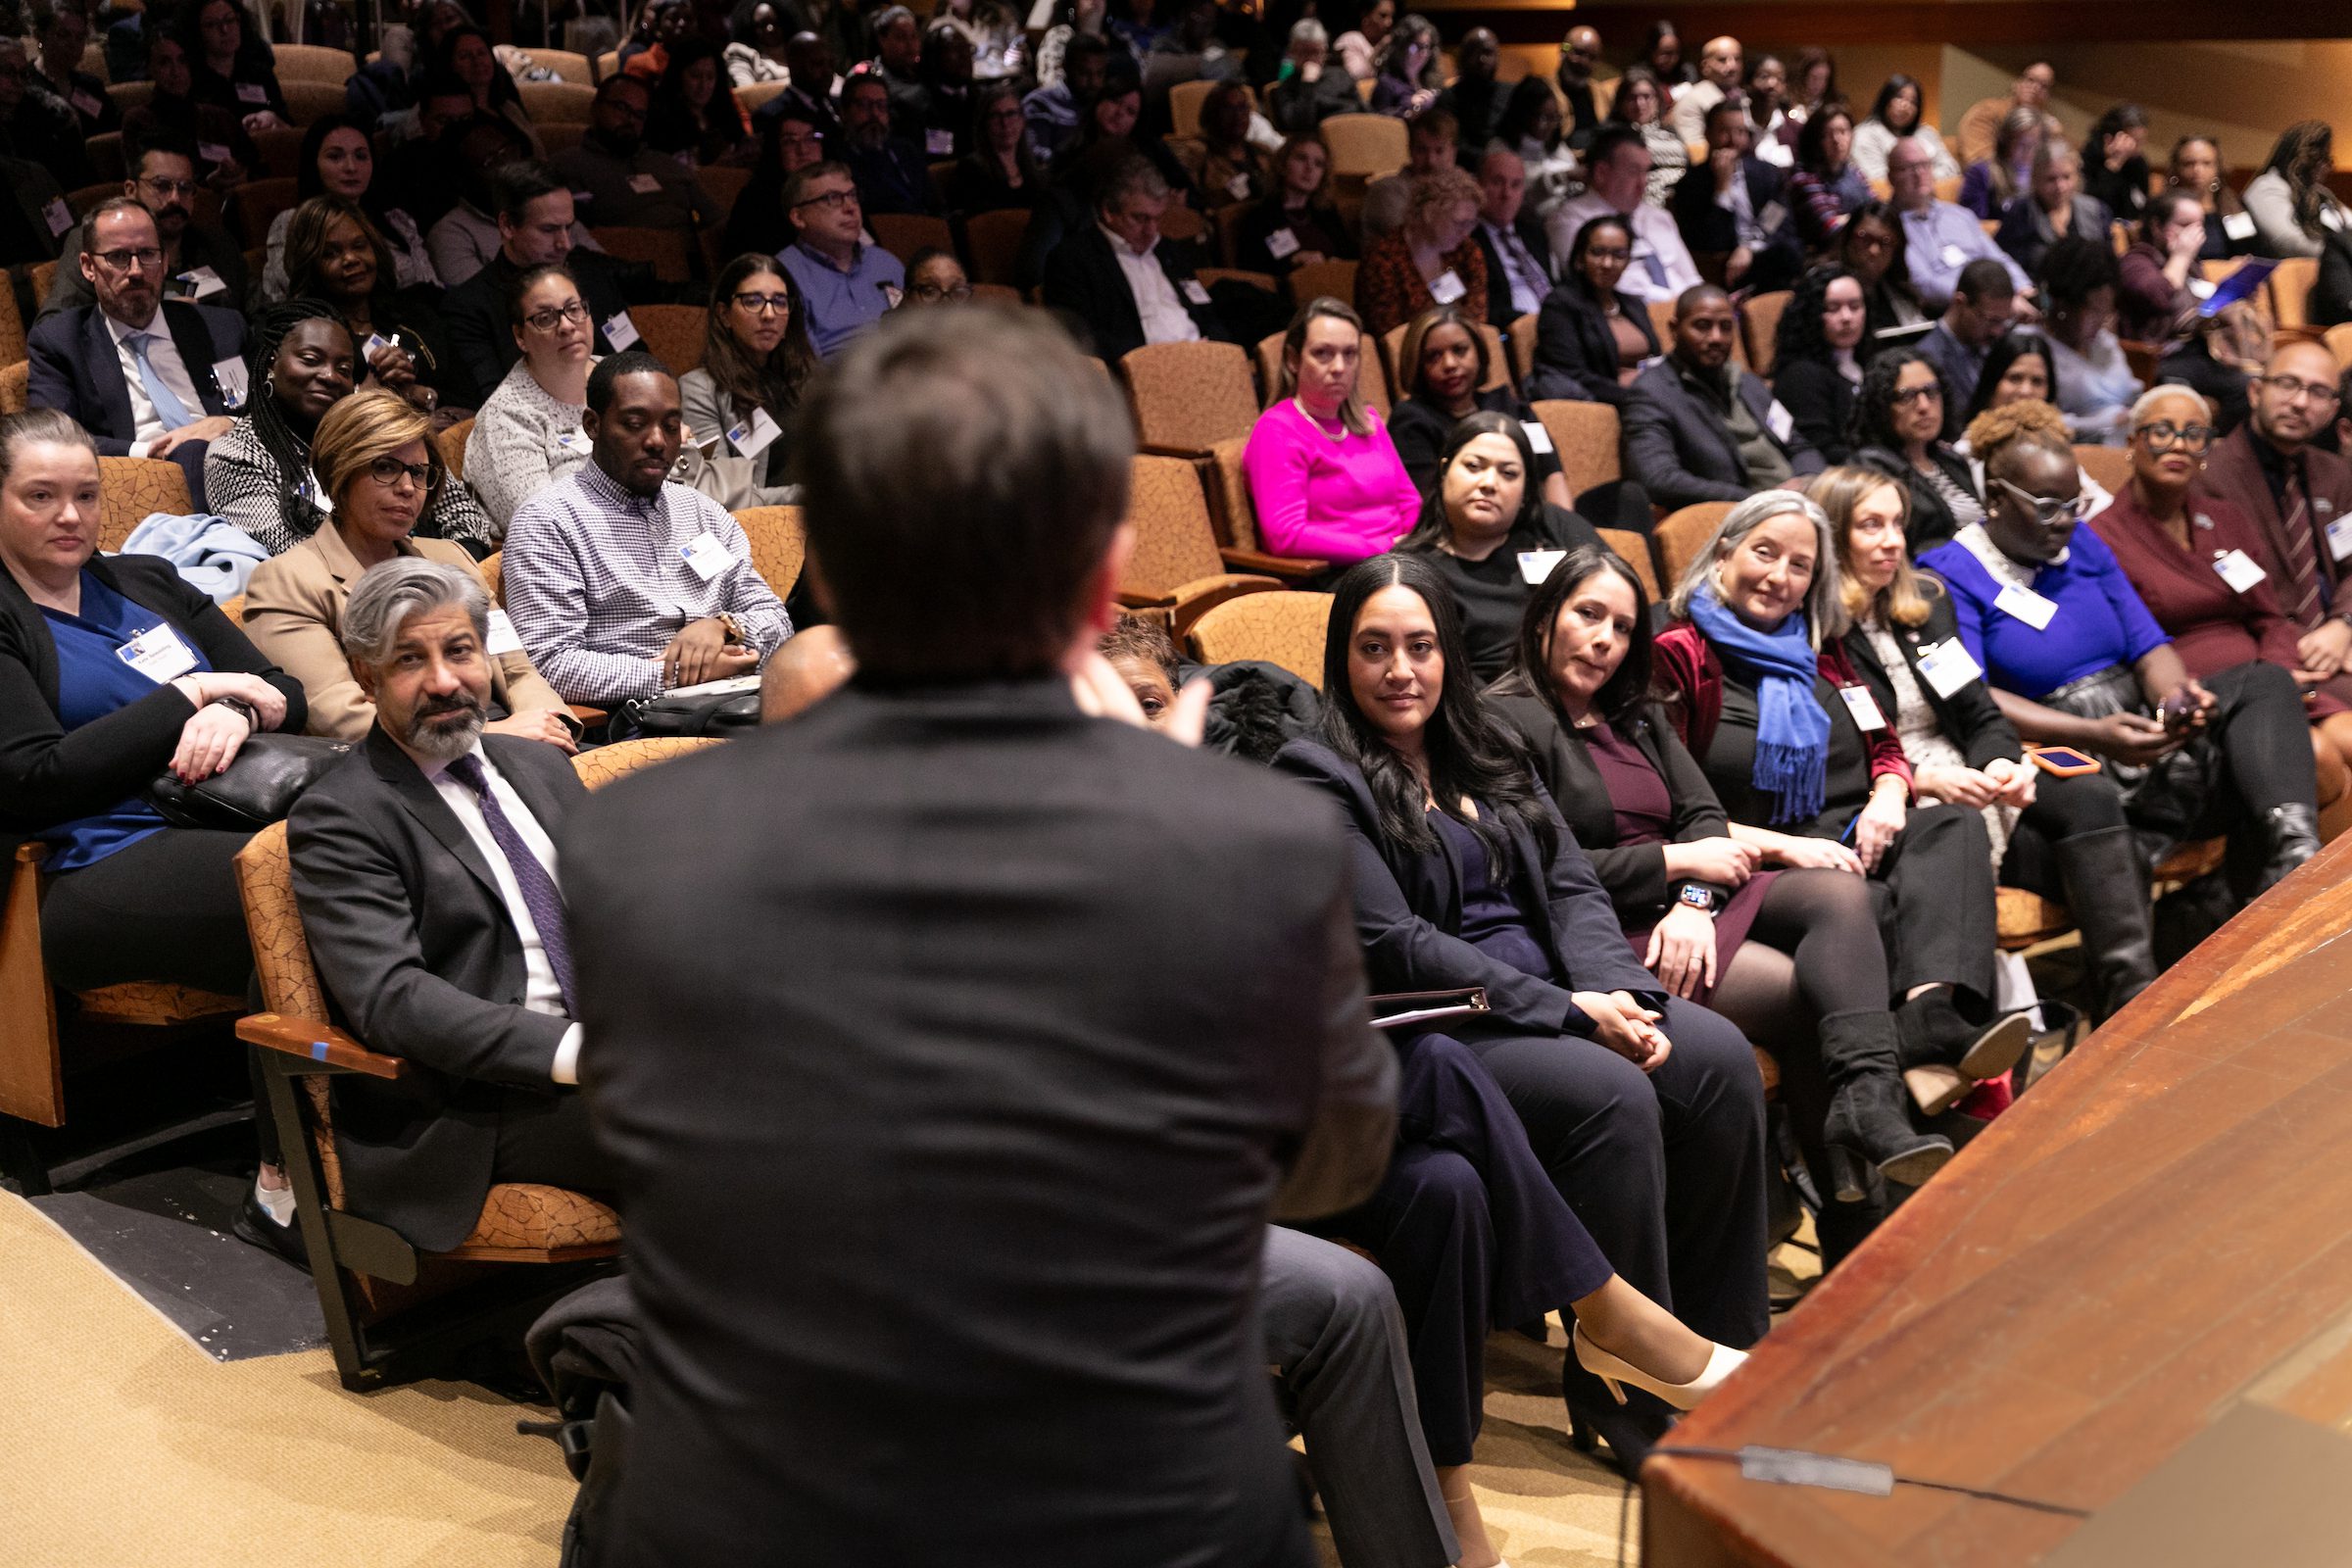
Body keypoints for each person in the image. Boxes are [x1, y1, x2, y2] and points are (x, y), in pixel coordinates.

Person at [564, 304, 1396, 1565]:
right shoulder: (1245, 841)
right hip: (1144, 1513)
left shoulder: (633, 842)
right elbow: (1332, 1164)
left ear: (826, 570)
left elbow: (668, 1164)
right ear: (1108, 571)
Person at [1272, 552, 1769, 1471]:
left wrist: (1622, 992)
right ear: (1343, 658)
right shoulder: (1318, 774)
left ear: (1449, 652)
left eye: (1420, 645)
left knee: (1719, 1061)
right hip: (1450, 1022)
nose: (1400, 670)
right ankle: (1620, 1389)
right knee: (1607, 1095)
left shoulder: (1487, 743)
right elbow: (1398, 945)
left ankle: (1721, 1343)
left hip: (1565, 986)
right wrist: (1576, 1014)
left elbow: (1575, 883)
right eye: (1374, 648)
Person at [1484, 544, 1956, 1257]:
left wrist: (1696, 899)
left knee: (1841, 895)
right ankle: (1850, 1210)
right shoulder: (1503, 720)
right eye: (1587, 616)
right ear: (1546, 616)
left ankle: (1867, 1100)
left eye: (1620, 627)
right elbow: (1540, 865)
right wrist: (1677, 866)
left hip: (1687, 908)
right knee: (1808, 994)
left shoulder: (1633, 715)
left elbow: (1704, 816)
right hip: (1603, 926)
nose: (1605, 641)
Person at [0, 406, 306, 1251]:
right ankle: (286, 1190)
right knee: (300, 888)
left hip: (223, 818)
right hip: (88, 862)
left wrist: (237, 711)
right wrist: (188, 699)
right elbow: (34, 779)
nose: (70, 516)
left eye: (86, 495)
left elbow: (286, 688)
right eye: (40, 496)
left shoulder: (146, 582)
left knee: (386, 858)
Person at [1652, 490, 2025, 1115]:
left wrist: (1889, 791)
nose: (1780, 576)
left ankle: (1929, 1014)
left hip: (1853, 832)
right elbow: (1675, 805)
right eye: (1764, 553)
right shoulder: (1680, 656)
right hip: (1759, 857)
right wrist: (1791, 848)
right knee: (1874, 904)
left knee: (1956, 826)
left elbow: (1884, 744)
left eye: (1800, 566)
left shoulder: (1823, 648)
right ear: (1723, 554)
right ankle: (1891, 1100)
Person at [286, 556, 609, 1255]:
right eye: (410, 660)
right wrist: (574, 1051)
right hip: (482, 1099)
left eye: (459, 651)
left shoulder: (541, 766)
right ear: (367, 679)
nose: (443, 681)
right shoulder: (342, 815)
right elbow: (391, 998)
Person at [1918, 402, 2322, 905]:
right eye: (2047, 507)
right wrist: (2094, 734)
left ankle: (2298, 861)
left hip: (2135, 723)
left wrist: (2176, 700)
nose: (2064, 522)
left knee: (2264, 682)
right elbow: (1976, 699)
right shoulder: (1951, 572)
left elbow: (2147, 643)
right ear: (1997, 498)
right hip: (2063, 743)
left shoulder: (2083, 544)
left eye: (2074, 504)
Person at [1823, 464, 2158, 1023]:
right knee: (2117, 865)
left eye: (1898, 524)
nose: (1891, 541)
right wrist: (1920, 779)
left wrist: (2005, 765)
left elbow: (1978, 711)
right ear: (1833, 536)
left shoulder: (1923, 603)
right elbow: (1834, 756)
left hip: (1966, 767)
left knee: (2088, 795)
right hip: (1893, 787)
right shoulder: (1817, 631)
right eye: (1870, 525)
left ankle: (2133, 1003)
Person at [241, 391, 567, 749]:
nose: (408, 488)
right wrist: (494, 739)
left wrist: (554, 730)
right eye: (385, 468)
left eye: (418, 472)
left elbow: (516, 670)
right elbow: (338, 717)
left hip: (518, 738)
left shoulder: (452, 558)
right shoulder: (287, 580)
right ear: (340, 472)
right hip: (406, 768)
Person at [2090, 384, 2352, 815]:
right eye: (2162, 431)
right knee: (2318, 756)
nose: (2178, 444)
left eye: (2193, 434)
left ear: (2205, 452)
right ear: (2133, 443)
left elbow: (2268, 615)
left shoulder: (2226, 519)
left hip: (2271, 674)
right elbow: (2130, 649)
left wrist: (2281, 671)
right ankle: (2287, 875)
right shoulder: (2102, 537)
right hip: (2199, 692)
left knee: (2346, 735)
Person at [504, 352, 792, 710]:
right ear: (593, 425)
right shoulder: (549, 521)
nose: (657, 441)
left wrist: (723, 626)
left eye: (671, 427)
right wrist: (680, 672)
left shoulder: (705, 513)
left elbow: (776, 620)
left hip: (743, 702)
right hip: (643, 719)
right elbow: (552, 663)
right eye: (635, 423)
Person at [207, 302, 490, 559]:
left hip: (437, 578)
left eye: (343, 368)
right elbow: (291, 552)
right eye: (310, 359)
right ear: (272, 362)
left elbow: (465, 515)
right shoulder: (235, 454)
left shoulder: (375, 428)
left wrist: (455, 568)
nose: (330, 376)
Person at [27, 199, 243, 507]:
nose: (136, 270)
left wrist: (230, 423)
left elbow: (257, 405)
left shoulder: (220, 328)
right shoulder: (60, 342)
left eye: (147, 255)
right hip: (135, 490)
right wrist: (146, 451)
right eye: (118, 257)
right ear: (89, 267)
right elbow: (51, 438)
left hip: (236, 467)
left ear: (165, 262)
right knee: (191, 451)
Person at [2196, 344, 2352, 735]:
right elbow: (2232, 590)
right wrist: (2318, 646)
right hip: (2275, 651)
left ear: (2333, 410)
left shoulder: (2336, 475)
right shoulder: (2210, 478)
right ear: (2255, 392)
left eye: (2318, 393)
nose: (2300, 402)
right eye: (2288, 384)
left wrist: (2344, 627)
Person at [1395, 411, 1597, 674]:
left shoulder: (1553, 525)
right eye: (1474, 467)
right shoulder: (1411, 569)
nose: (1489, 483)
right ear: (1444, 471)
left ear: (1526, 491)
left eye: (1509, 473)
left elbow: (1615, 595)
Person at [1242, 298, 1419, 570]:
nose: (1339, 367)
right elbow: (1286, 535)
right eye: (1323, 353)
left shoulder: (1368, 419)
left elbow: (1409, 501)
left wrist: (1417, 544)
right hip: (1337, 571)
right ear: (1292, 359)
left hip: (1400, 557)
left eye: (1349, 354)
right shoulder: (1277, 430)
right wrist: (1379, 547)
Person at [439, 162, 634, 404]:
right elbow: (495, 401)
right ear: (508, 225)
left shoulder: (591, 275)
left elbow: (633, 353)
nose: (565, 243)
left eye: (568, 228)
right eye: (549, 229)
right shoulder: (469, 307)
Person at [1625, 285, 1825, 510]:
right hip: (1740, 513)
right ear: (1674, 329)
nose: (1716, 338)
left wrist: (1808, 480)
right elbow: (1659, 479)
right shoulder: (1653, 392)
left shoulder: (1749, 383)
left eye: (1726, 327)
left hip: (1800, 502)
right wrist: (1758, 499)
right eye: (1702, 326)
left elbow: (1799, 445)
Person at [280, 198, 471, 414]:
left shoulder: (416, 314)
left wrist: (421, 395)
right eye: (331, 253)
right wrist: (367, 393)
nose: (351, 259)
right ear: (309, 265)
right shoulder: (298, 335)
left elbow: (471, 397)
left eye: (359, 246)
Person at [40, 133, 252, 323]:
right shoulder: (96, 243)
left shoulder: (218, 244)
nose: (175, 199)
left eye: (185, 188)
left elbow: (262, 311)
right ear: (131, 190)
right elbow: (53, 325)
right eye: (162, 186)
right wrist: (154, 319)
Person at [1042, 156, 1228, 363]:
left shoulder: (1168, 251)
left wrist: (1214, 347)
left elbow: (1206, 312)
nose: (1151, 231)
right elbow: (1078, 336)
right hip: (1138, 370)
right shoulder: (1073, 258)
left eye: (1157, 218)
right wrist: (1159, 357)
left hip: (1202, 360)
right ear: (1108, 211)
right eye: (1139, 218)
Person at [1387, 307, 1569, 504]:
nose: (1449, 364)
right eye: (1434, 356)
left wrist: (1563, 530)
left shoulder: (1509, 406)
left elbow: (1551, 474)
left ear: (1479, 353)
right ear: (1417, 365)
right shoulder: (1410, 421)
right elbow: (1431, 503)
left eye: (1459, 350)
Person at [468, 266, 601, 531]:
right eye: (545, 318)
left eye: (573, 309)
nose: (566, 325)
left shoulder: (619, 379)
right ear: (520, 337)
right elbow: (541, 523)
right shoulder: (506, 417)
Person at [262, 115, 441, 307]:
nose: (351, 167)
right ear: (314, 164)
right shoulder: (293, 222)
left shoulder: (397, 220)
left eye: (361, 156)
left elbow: (431, 286)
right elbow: (299, 297)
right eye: (335, 156)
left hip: (418, 325)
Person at [677, 254, 812, 506]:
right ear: (724, 314)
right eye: (753, 301)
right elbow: (718, 492)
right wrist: (806, 497)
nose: (769, 314)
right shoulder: (699, 389)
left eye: (780, 302)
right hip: (761, 527)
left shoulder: (809, 380)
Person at [1545, 125, 1700, 306]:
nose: (1643, 183)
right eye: (1634, 172)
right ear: (1602, 172)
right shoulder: (1569, 220)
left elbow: (1692, 279)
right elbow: (1604, 290)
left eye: (1646, 172)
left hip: (1688, 313)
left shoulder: (1658, 216)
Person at [1849, 349, 1983, 551]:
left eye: (1931, 392)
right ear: (1881, 405)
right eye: (1906, 396)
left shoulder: (1952, 461)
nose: (1923, 406)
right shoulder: (1871, 468)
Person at [555, 74, 722, 232]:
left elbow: (716, 219)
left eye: (639, 114)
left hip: (688, 255)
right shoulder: (568, 164)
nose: (631, 120)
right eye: (622, 108)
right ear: (596, 107)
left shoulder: (666, 163)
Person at [1668, 98, 1801, 294]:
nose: (1733, 140)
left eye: (1740, 132)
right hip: (1722, 263)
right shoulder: (1690, 184)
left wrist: (1749, 247)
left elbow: (1778, 216)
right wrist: (1723, 188)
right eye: (1724, 131)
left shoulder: (1766, 173)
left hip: (1761, 253)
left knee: (1790, 251)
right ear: (1707, 134)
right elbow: (1711, 241)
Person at [776, 161, 908, 358]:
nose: (850, 208)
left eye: (853, 196)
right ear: (798, 217)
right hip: (836, 384)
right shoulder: (782, 275)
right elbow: (803, 370)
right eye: (833, 198)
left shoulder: (887, 264)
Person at [1527, 214, 1659, 408]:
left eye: (1618, 255)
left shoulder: (1633, 304)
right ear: (1580, 256)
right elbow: (1573, 374)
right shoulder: (1561, 305)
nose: (1607, 263)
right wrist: (1636, 397)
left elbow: (1655, 359)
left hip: (1650, 399)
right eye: (1597, 252)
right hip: (1607, 405)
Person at [1888, 136, 2031, 313]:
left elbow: (1998, 259)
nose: (1919, 174)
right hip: (1952, 312)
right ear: (1891, 177)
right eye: (1908, 168)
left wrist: (2023, 288)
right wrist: (1991, 300)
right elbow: (1926, 285)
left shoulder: (1960, 215)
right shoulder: (1890, 226)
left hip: (1997, 304)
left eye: (1924, 165)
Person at [120, 26, 261, 193]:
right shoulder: (140, 120)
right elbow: (148, 186)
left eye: (182, 60)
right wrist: (206, 187)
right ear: (150, 69)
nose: (176, 71)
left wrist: (240, 174)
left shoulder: (218, 116)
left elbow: (257, 168)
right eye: (165, 62)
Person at [1355, 167, 1486, 337]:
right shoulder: (1383, 259)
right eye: (1459, 223)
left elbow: (1477, 321)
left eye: (1471, 223)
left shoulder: (1466, 252)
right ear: (1429, 213)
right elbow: (1390, 336)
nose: (1466, 232)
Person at [2039, 235, 2143, 445]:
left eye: (2107, 312)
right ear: (2063, 306)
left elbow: (2133, 392)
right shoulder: (2034, 349)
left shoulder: (2104, 342)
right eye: (2095, 312)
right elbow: (2038, 422)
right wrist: (2108, 421)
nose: (2102, 322)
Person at [1770, 267, 1869, 465]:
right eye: (1833, 308)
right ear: (1811, 313)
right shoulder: (1800, 376)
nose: (1847, 318)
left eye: (1855, 306)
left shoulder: (1871, 361)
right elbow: (1821, 450)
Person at [1233, 135, 1352, 280]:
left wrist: (1334, 262)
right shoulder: (1260, 217)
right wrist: (1292, 262)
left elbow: (1350, 256)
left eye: (1318, 164)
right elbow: (1253, 271)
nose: (1309, 168)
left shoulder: (1327, 213)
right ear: (1282, 165)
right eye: (1301, 158)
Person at [1916, 260, 2021, 425]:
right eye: (1991, 320)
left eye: (2004, 322)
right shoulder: (1928, 359)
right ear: (1960, 302)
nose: (1997, 331)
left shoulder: (1996, 347)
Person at [1997, 139, 2114, 282]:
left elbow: (2108, 264)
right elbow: (2005, 262)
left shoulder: (2097, 210)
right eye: (2051, 179)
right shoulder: (2021, 212)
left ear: (2077, 176)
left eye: (2067, 177)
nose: (2060, 187)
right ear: (2036, 179)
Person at [835, 71, 945, 217]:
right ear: (844, 112)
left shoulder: (905, 150)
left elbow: (934, 204)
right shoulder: (838, 162)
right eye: (865, 105)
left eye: (881, 105)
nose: (874, 114)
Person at [721, 107, 827, 257]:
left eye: (811, 138)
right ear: (776, 149)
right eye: (790, 142)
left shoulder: (841, 188)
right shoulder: (756, 200)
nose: (803, 150)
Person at [2243, 122, 2344, 264]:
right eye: (2323, 159)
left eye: (2329, 160)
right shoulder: (2266, 187)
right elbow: (2289, 242)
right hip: (2285, 277)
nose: (2328, 167)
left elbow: (2348, 222)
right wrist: (2343, 253)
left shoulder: (2320, 193)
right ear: (2301, 160)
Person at [177, 0, 286, 128]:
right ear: (197, 32)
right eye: (212, 24)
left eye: (229, 20)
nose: (225, 30)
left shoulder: (259, 73)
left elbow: (289, 127)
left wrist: (274, 118)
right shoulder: (189, 80)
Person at [648, 36, 757, 166]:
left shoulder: (724, 112)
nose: (703, 86)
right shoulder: (660, 119)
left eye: (710, 77)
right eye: (695, 76)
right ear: (678, 76)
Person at [435, 24, 541, 153]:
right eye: (465, 56)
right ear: (450, 65)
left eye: (481, 53)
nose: (477, 61)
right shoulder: (457, 116)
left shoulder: (507, 106)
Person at [1360, 107, 1456, 241]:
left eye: (1439, 151)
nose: (1431, 161)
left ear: (1453, 153)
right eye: (1422, 150)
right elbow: (1414, 240)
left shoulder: (1460, 191)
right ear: (1410, 150)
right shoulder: (1387, 191)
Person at [945, 81, 1040, 216]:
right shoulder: (971, 169)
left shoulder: (1033, 167)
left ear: (1022, 120)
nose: (1005, 123)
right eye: (995, 116)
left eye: (1011, 114)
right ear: (984, 123)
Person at [1598, 68, 1686, 212]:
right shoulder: (1612, 136)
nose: (1640, 104)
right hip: (1640, 204)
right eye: (1632, 98)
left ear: (1657, 100)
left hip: (1679, 200)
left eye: (1646, 97)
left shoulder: (1671, 132)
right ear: (1621, 103)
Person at [1175, 81, 1269, 212]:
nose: (1238, 116)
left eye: (1243, 107)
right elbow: (1186, 203)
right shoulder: (1196, 152)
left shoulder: (1262, 151)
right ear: (1212, 114)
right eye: (1228, 109)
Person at [1787, 104, 1869, 251]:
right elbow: (1830, 228)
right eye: (1827, 134)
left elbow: (1879, 213)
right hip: (1824, 257)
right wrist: (1863, 220)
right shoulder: (1804, 177)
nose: (1837, 140)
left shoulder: (1853, 171)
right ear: (1815, 139)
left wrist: (1846, 218)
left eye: (1843, 132)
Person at [1850, 73, 1957, 185]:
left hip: (1933, 199)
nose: (1905, 105)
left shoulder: (1926, 133)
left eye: (1913, 102)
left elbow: (1951, 169)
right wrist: (1924, 179)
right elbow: (1878, 180)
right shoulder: (1865, 134)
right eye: (1899, 97)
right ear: (1886, 99)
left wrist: (1921, 179)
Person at [1022, 27, 1107, 166]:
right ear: (1065, 67)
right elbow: (1035, 155)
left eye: (1100, 74)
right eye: (1084, 73)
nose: (1094, 82)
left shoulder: (1105, 103)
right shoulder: (1040, 103)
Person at [1495, 76, 1578, 220]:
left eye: (1554, 118)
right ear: (1523, 115)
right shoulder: (1500, 149)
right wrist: (1564, 177)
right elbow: (1523, 194)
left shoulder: (1557, 147)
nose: (1550, 126)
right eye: (1543, 118)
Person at [2167, 135, 2256, 262]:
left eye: (2206, 163)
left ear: (2217, 169)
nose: (2197, 170)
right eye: (2188, 164)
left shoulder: (2232, 206)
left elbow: (2249, 251)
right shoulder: (2164, 209)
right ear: (2176, 168)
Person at [1955, 60, 2055, 171]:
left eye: (2044, 86)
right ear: (2017, 83)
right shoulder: (1988, 111)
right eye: (2031, 80)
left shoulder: (2047, 123)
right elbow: (1980, 160)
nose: (2036, 88)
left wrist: (2055, 135)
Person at [1957, 104, 2048, 222]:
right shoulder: (1980, 173)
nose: (2028, 152)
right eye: (2022, 145)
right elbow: (1974, 225)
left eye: (2034, 146)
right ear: (2005, 142)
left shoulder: (2045, 174)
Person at [1265, 19, 1357, 135]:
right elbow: (1300, 126)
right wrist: (1308, 83)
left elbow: (1363, 108)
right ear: (1292, 52)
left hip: (1355, 134)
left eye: (1316, 52)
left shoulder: (1340, 75)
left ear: (1324, 51)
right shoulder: (1285, 88)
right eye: (1304, 52)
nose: (1310, 58)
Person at [36, 5, 115, 138]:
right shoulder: (24, 83)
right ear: (41, 37)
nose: (73, 44)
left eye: (80, 37)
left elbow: (111, 130)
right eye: (63, 35)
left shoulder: (90, 86)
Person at [1961, 328, 2059, 427]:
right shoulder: (1967, 442)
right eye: (2015, 378)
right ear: (1991, 383)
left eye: (2037, 381)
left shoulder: (2060, 441)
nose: (2026, 391)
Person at [1434, 26, 1506, 158]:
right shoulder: (1447, 98)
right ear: (1463, 57)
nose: (1481, 59)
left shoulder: (1510, 94)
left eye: (1488, 52)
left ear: (1497, 57)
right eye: (1474, 52)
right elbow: (1451, 145)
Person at [1661, 34, 1740, 145]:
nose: (1732, 66)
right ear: (1705, 66)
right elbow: (1695, 151)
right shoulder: (1692, 100)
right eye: (1722, 60)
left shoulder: (1744, 97)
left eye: (1737, 59)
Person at [2084, 103, 2152, 226]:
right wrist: (2113, 165)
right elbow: (2091, 205)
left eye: (2141, 141)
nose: (2138, 149)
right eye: (2134, 142)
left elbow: (2141, 204)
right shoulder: (2088, 158)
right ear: (2109, 139)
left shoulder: (2138, 163)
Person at [1368, 13, 1441, 120]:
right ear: (1402, 47)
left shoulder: (1430, 81)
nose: (1424, 53)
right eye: (1418, 46)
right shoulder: (1386, 83)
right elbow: (1376, 123)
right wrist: (1407, 108)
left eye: (1427, 47)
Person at [1552, 24, 1614, 148]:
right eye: (1579, 53)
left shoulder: (1601, 93)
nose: (1584, 62)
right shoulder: (1545, 91)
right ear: (1563, 50)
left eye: (1592, 57)